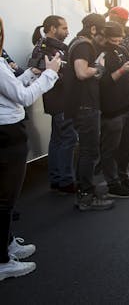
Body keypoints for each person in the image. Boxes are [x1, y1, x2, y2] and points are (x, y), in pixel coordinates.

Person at [1, 15, 62, 280]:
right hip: (7, 135)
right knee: (5, 199)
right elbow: (23, 97)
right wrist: (50, 74)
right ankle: (3, 262)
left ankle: (7, 243)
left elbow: (11, 88)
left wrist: (29, 74)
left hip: (6, 132)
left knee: (4, 197)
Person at [64, 14, 114, 211]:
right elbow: (82, 72)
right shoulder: (84, 45)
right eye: (103, 33)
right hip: (85, 107)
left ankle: (86, 192)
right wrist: (98, 67)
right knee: (89, 152)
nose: (105, 39)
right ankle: (86, 196)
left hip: (84, 106)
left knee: (87, 151)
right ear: (93, 29)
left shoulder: (78, 42)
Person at [30, 15, 77, 193]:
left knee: (58, 140)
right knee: (67, 139)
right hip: (60, 100)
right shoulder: (44, 48)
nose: (67, 31)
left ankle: (57, 179)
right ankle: (65, 180)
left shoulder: (55, 47)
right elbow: (47, 74)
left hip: (60, 100)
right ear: (52, 28)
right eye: (64, 28)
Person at [98, 23, 129, 198]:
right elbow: (103, 82)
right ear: (106, 36)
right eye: (114, 38)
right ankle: (113, 183)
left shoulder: (124, 49)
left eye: (119, 38)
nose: (117, 41)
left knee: (127, 146)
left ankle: (124, 178)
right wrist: (121, 70)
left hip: (128, 105)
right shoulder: (102, 53)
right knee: (110, 148)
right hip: (112, 109)